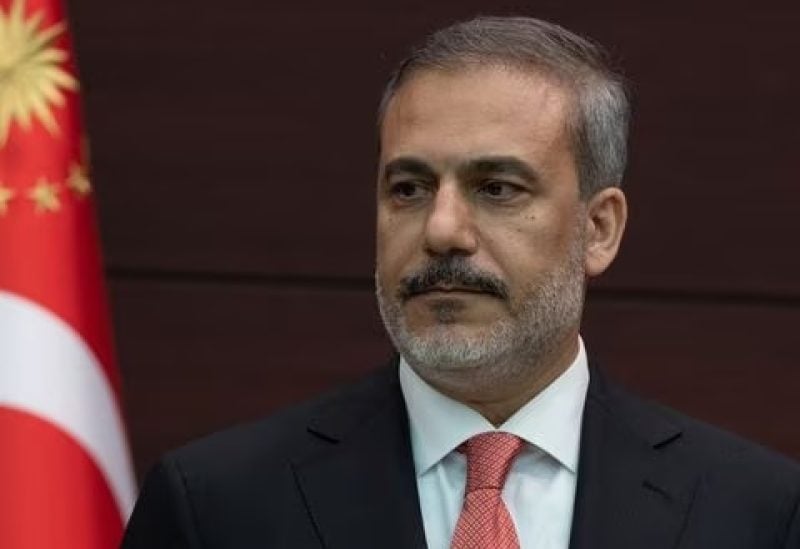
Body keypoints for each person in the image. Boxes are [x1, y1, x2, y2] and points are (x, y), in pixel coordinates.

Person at [122, 16, 800, 549]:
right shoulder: (218, 505)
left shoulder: (754, 511)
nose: (442, 229)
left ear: (599, 228)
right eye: (409, 187)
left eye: (497, 187)